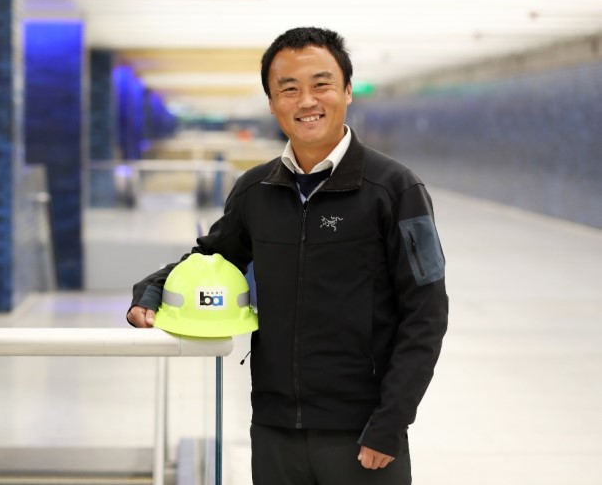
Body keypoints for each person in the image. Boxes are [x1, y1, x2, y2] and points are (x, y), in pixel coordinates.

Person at [128, 27, 448, 484]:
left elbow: (427, 312)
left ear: (347, 92)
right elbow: (213, 258)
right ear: (272, 103)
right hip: (274, 428)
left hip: (362, 431)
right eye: (289, 89)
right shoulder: (255, 190)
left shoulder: (396, 190)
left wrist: (391, 422)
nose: (306, 101)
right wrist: (154, 290)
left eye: (321, 84)